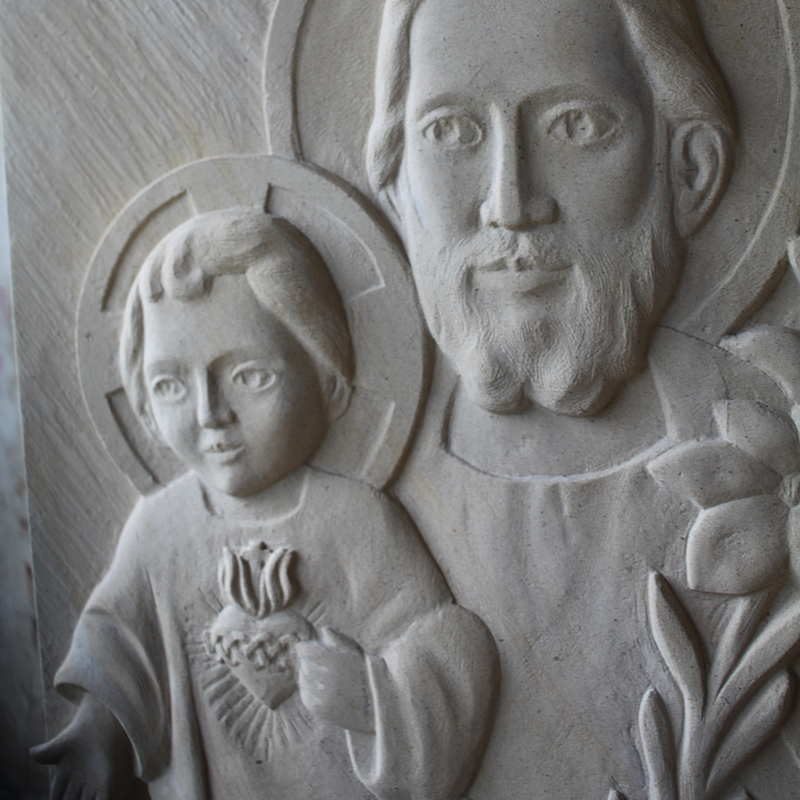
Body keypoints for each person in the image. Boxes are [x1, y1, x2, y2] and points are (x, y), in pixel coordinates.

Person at [364, 1, 800, 798]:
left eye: (577, 125)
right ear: (395, 185)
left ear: (690, 169)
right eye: (451, 132)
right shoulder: (355, 507)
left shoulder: (774, 444)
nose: (510, 202)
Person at [32, 208, 498, 800]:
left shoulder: (356, 519)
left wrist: (371, 696)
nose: (211, 415)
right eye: (170, 386)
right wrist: (99, 731)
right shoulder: (159, 528)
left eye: (249, 377)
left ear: (328, 376)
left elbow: (442, 645)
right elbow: (120, 643)